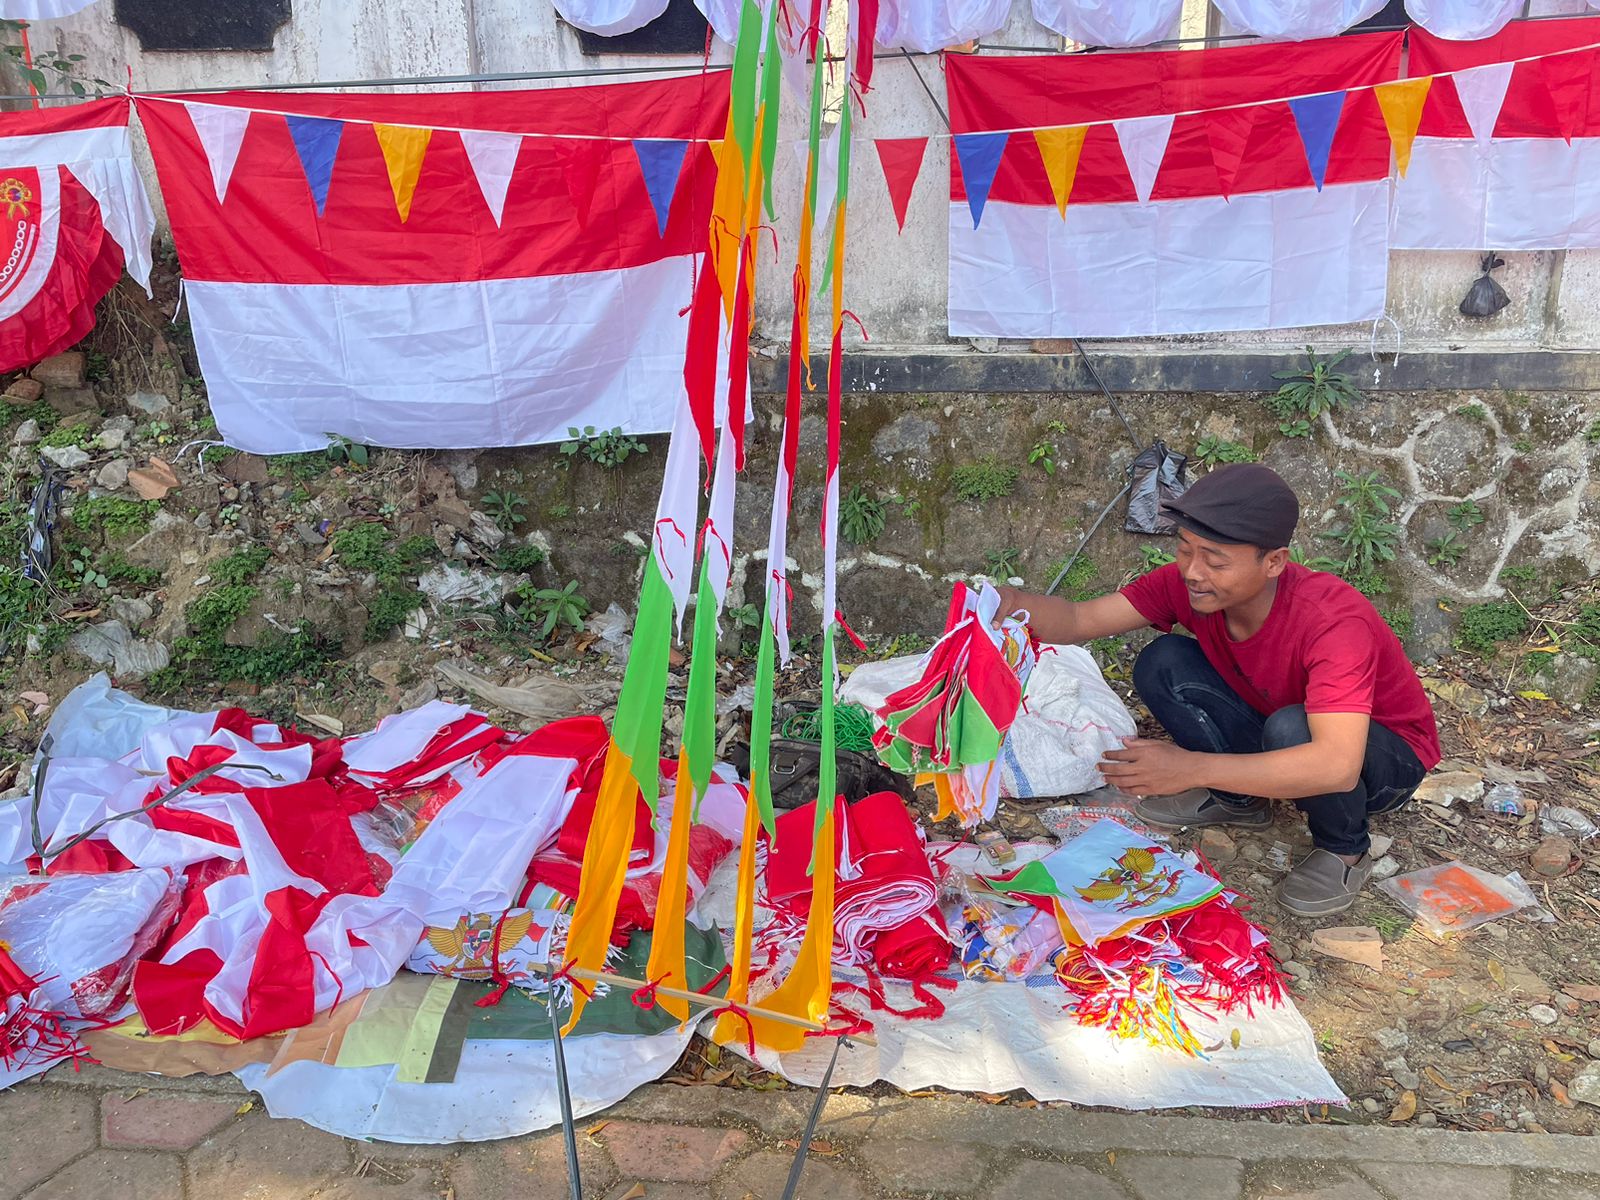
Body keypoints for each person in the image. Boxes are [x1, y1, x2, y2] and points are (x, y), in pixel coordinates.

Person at [995, 463, 1439, 917]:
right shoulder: (1188, 587)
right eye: (1185, 550)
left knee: (1293, 728)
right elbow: (1079, 620)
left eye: (1216, 560)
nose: (1193, 571)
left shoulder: (1332, 622)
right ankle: (1240, 800)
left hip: (1380, 763)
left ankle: (1345, 849)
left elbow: (1337, 766)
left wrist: (1190, 768)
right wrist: (1012, 607)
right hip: (1281, 722)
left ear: (1274, 562)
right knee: (1162, 661)